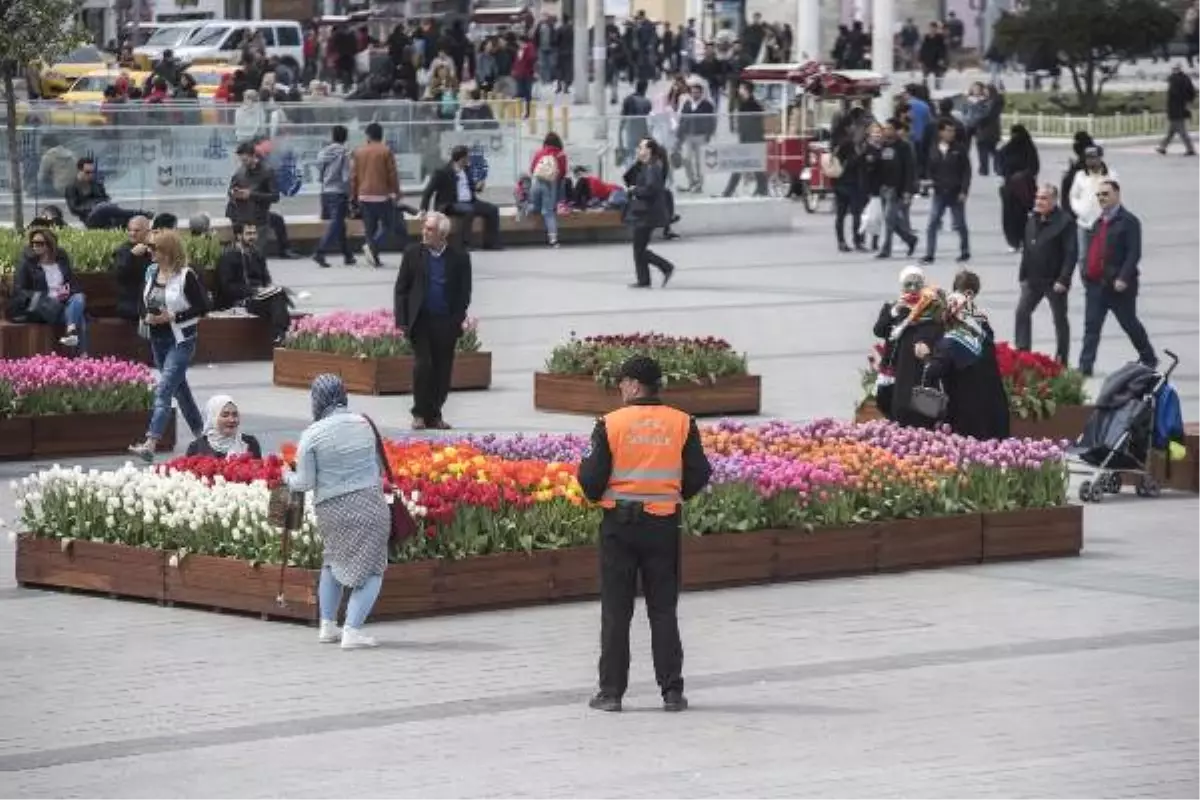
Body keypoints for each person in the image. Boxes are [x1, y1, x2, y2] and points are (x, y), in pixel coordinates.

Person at [577, 355, 713, 713]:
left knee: (617, 612)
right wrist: (672, 494)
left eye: (622, 382)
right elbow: (699, 472)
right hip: (663, 525)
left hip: (619, 528)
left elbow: (591, 480)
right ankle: (671, 691)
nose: (619, 388)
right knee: (663, 610)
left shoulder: (610, 423)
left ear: (635, 385)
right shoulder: (682, 423)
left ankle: (611, 693)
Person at [283, 374, 390, 650]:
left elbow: (304, 483)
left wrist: (286, 476)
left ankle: (327, 626)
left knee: (332, 562)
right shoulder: (363, 424)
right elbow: (377, 469)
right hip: (368, 504)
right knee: (373, 568)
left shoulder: (311, 434)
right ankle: (352, 631)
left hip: (330, 510)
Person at [128, 230, 209, 462]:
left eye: (155, 249)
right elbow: (141, 301)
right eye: (150, 248)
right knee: (179, 390)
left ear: (168, 252)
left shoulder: (186, 275)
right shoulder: (151, 272)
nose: (150, 252)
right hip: (157, 339)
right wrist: (146, 316)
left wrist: (174, 316)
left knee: (164, 389)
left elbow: (203, 306)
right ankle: (202, 437)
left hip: (181, 340)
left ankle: (150, 442)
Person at [394, 211, 473, 431]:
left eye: (430, 229)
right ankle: (419, 413)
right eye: (424, 228)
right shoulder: (413, 254)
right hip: (420, 321)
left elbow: (464, 292)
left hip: (446, 322)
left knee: (442, 370)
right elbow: (401, 289)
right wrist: (402, 320)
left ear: (442, 234)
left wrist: (457, 318)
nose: (424, 233)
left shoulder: (459, 257)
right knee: (423, 365)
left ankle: (435, 413)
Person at [1077, 180, 1157, 377]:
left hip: (1118, 286)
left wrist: (1123, 277)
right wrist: (1086, 273)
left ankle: (1148, 357)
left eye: (1106, 194)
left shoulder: (1128, 221)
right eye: (1099, 195)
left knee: (1129, 323)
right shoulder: (1098, 222)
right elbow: (1092, 250)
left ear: (1117, 195)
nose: (1102, 198)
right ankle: (1085, 366)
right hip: (1096, 285)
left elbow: (1133, 253)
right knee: (1091, 327)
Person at [915, 289, 1010, 440]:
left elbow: (933, 371)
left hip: (968, 416)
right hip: (995, 409)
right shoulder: (985, 335)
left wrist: (925, 355)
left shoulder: (949, 343)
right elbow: (983, 324)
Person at [1015, 184, 1076, 364]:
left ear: (1054, 200)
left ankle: (1061, 357)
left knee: (1059, 320)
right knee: (1022, 313)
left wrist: (1064, 279)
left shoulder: (1065, 222)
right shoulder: (1032, 218)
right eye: (1037, 198)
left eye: (1043, 198)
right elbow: (1027, 248)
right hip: (1032, 279)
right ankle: (1022, 353)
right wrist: (1023, 275)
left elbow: (1070, 253)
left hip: (1054, 281)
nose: (1038, 202)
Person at [878, 266, 944, 428]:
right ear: (902, 287)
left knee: (923, 411)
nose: (913, 289)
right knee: (898, 409)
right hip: (898, 369)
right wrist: (895, 311)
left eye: (917, 284)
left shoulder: (930, 308)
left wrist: (925, 342)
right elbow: (879, 330)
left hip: (920, 369)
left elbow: (938, 332)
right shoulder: (892, 307)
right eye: (909, 284)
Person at [10, 228, 88, 353]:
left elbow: (74, 285)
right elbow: (19, 291)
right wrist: (48, 297)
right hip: (44, 307)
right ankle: (81, 357)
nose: (35, 246)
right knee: (80, 318)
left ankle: (71, 333)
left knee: (79, 297)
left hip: (64, 304)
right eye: (33, 243)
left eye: (40, 243)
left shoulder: (61, 262)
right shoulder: (27, 264)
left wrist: (67, 291)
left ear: (49, 245)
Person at [214, 224, 292, 344]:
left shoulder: (256, 253)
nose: (253, 237)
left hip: (259, 297)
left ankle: (280, 335)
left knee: (279, 294)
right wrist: (253, 291)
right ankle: (280, 334)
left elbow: (266, 279)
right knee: (278, 299)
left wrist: (269, 288)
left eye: (254, 233)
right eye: (248, 234)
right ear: (239, 236)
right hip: (241, 300)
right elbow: (227, 287)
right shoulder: (228, 256)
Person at [420, 145, 502, 251]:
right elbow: (428, 191)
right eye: (467, 158)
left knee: (492, 209)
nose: (469, 160)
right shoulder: (442, 172)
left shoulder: (467, 170)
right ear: (461, 158)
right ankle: (464, 244)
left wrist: (478, 187)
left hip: (470, 202)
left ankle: (491, 243)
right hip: (450, 203)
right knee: (468, 211)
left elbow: (472, 188)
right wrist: (423, 210)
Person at [623, 138, 676, 289]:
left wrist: (635, 190)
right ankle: (644, 279)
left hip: (648, 213)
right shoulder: (646, 166)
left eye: (641, 147)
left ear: (649, 150)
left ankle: (665, 267)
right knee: (639, 248)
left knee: (639, 248)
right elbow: (627, 178)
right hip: (644, 212)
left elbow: (651, 189)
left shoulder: (653, 167)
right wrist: (638, 162)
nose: (638, 150)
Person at [351, 122, 402, 268]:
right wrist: (396, 192)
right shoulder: (386, 151)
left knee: (369, 228)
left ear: (368, 135)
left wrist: (353, 195)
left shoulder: (359, 152)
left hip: (363, 195)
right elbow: (392, 174)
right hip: (381, 195)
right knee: (388, 225)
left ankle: (374, 257)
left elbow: (353, 176)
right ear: (381, 135)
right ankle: (373, 248)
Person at [921, 119, 972, 265]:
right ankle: (929, 253)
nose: (951, 133)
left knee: (960, 223)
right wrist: (929, 180)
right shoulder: (934, 148)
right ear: (941, 132)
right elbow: (930, 168)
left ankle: (965, 250)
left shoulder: (959, 149)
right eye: (948, 130)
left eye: (953, 131)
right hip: (939, 191)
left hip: (955, 192)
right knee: (932, 223)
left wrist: (964, 190)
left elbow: (966, 172)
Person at [64, 157, 150, 230]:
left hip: (105, 211)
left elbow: (105, 197)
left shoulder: (96, 184)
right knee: (103, 208)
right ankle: (140, 213)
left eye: (93, 172)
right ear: (79, 171)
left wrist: (103, 203)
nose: (91, 175)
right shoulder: (72, 187)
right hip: (89, 216)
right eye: (87, 172)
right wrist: (92, 207)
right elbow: (74, 208)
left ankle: (136, 217)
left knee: (121, 218)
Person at [314, 124, 357, 268]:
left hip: (325, 191)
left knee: (340, 224)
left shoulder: (323, 152)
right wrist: (350, 191)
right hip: (339, 192)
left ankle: (347, 255)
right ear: (345, 138)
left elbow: (319, 170)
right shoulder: (344, 153)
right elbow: (346, 176)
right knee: (336, 223)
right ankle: (320, 251)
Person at [1067, 145, 1117, 266]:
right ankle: (1087, 282)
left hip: (1104, 222)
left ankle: (1101, 281)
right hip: (1084, 223)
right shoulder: (1080, 176)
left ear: (1100, 158)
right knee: (1083, 256)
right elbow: (1074, 196)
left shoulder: (1111, 175)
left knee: (1103, 255)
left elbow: (1115, 196)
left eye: (1093, 158)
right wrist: (1079, 210)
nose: (1090, 161)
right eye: (1088, 158)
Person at [997, 124, 1040, 252]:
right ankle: (1013, 241)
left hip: (1024, 189)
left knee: (1022, 216)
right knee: (1010, 216)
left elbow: (1034, 167)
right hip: (1010, 189)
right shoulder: (1006, 150)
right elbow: (999, 167)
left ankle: (1023, 240)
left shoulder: (1028, 150)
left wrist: (1023, 175)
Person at [186, 395, 263, 458]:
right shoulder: (196, 447)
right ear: (213, 418)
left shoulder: (249, 443)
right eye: (225, 415)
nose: (232, 420)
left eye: (235, 415)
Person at [527, 132, 568, 247]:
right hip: (550, 184)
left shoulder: (539, 152)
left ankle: (523, 211)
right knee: (548, 212)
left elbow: (532, 169)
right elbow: (563, 172)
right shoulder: (560, 154)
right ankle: (553, 240)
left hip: (536, 182)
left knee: (535, 207)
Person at [111, 215, 153, 322]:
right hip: (131, 302)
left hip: (153, 300)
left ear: (148, 231)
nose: (132, 233)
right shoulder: (122, 251)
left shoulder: (154, 249)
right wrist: (132, 256)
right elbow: (119, 275)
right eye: (130, 230)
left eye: (137, 230)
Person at [1158, 64, 1196, 156]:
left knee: (1181, 131)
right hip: (1182, 108)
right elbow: (1192, 93)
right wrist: (1188, 103)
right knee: (1172, 130)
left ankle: (1190, 149)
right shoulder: (1186, 79)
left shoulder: (1174, 80)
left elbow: (1172, 96)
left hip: (1175, 109)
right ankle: (1162, 147)